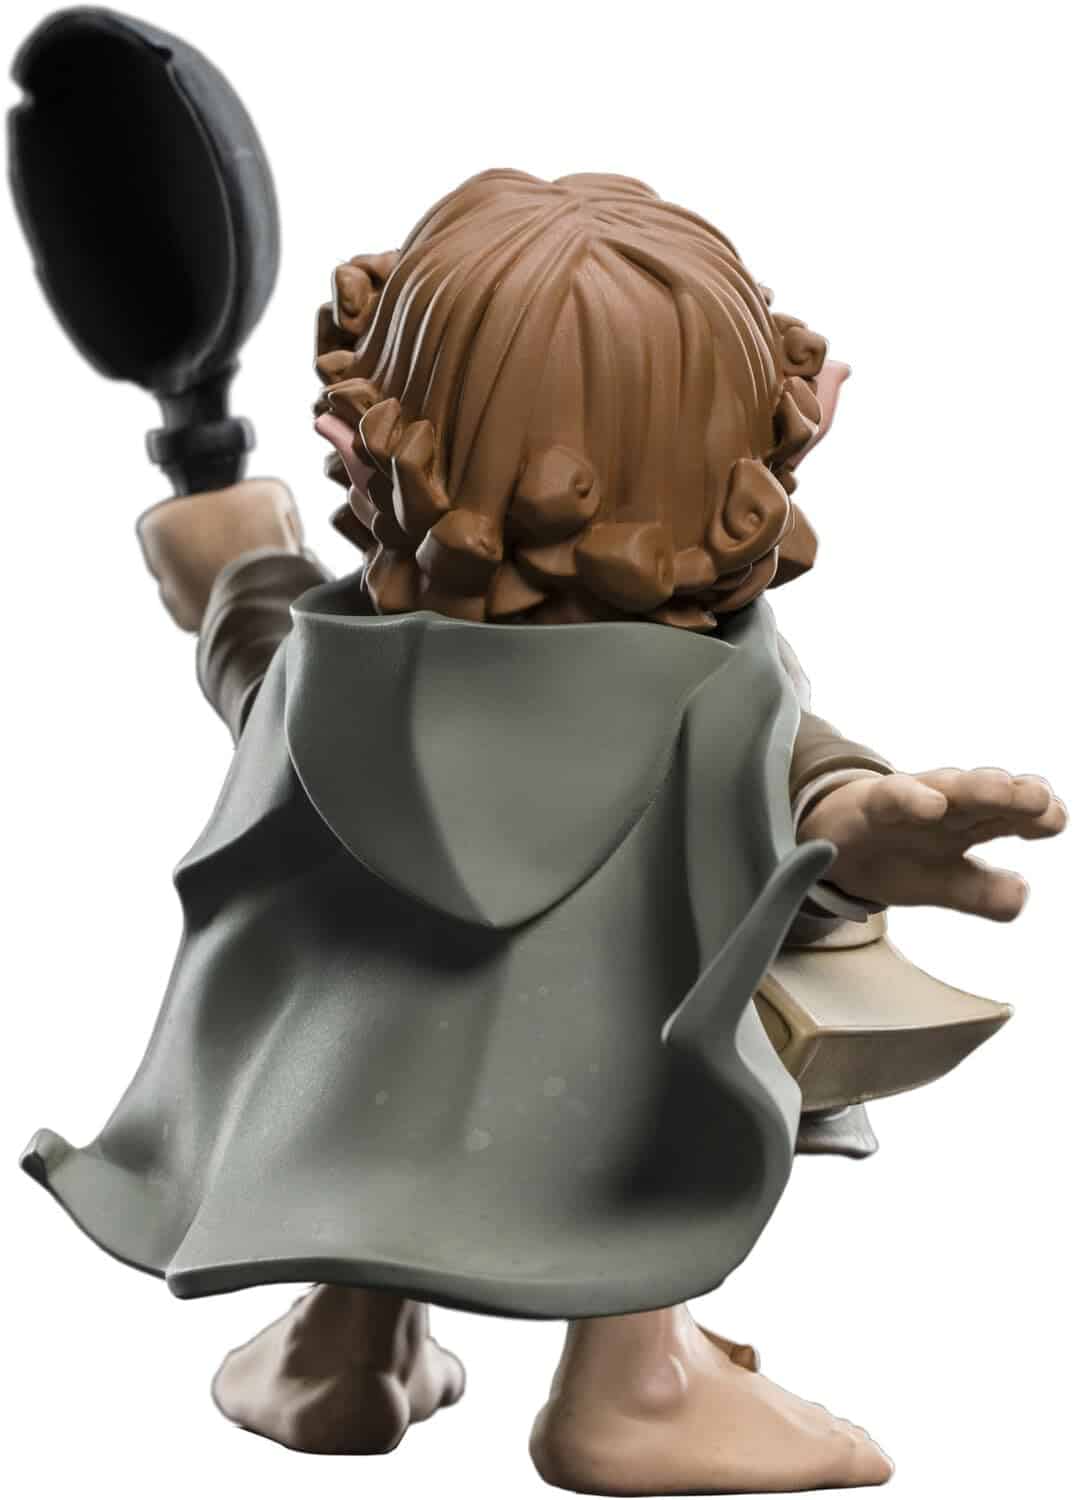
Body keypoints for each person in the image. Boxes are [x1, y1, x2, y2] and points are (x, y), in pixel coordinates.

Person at [25, 171, 1066, 1495]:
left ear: (366, 443)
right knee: (647, 1115)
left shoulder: (325, 666)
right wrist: (851, 838)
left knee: (372, 1117)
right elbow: (785, 806)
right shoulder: (709, 692)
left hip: (356, 1078)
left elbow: (252, 650)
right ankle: (634, 1385)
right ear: (747, 462)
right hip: (602, 1088)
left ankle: (345, 1348)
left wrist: (236, 559)